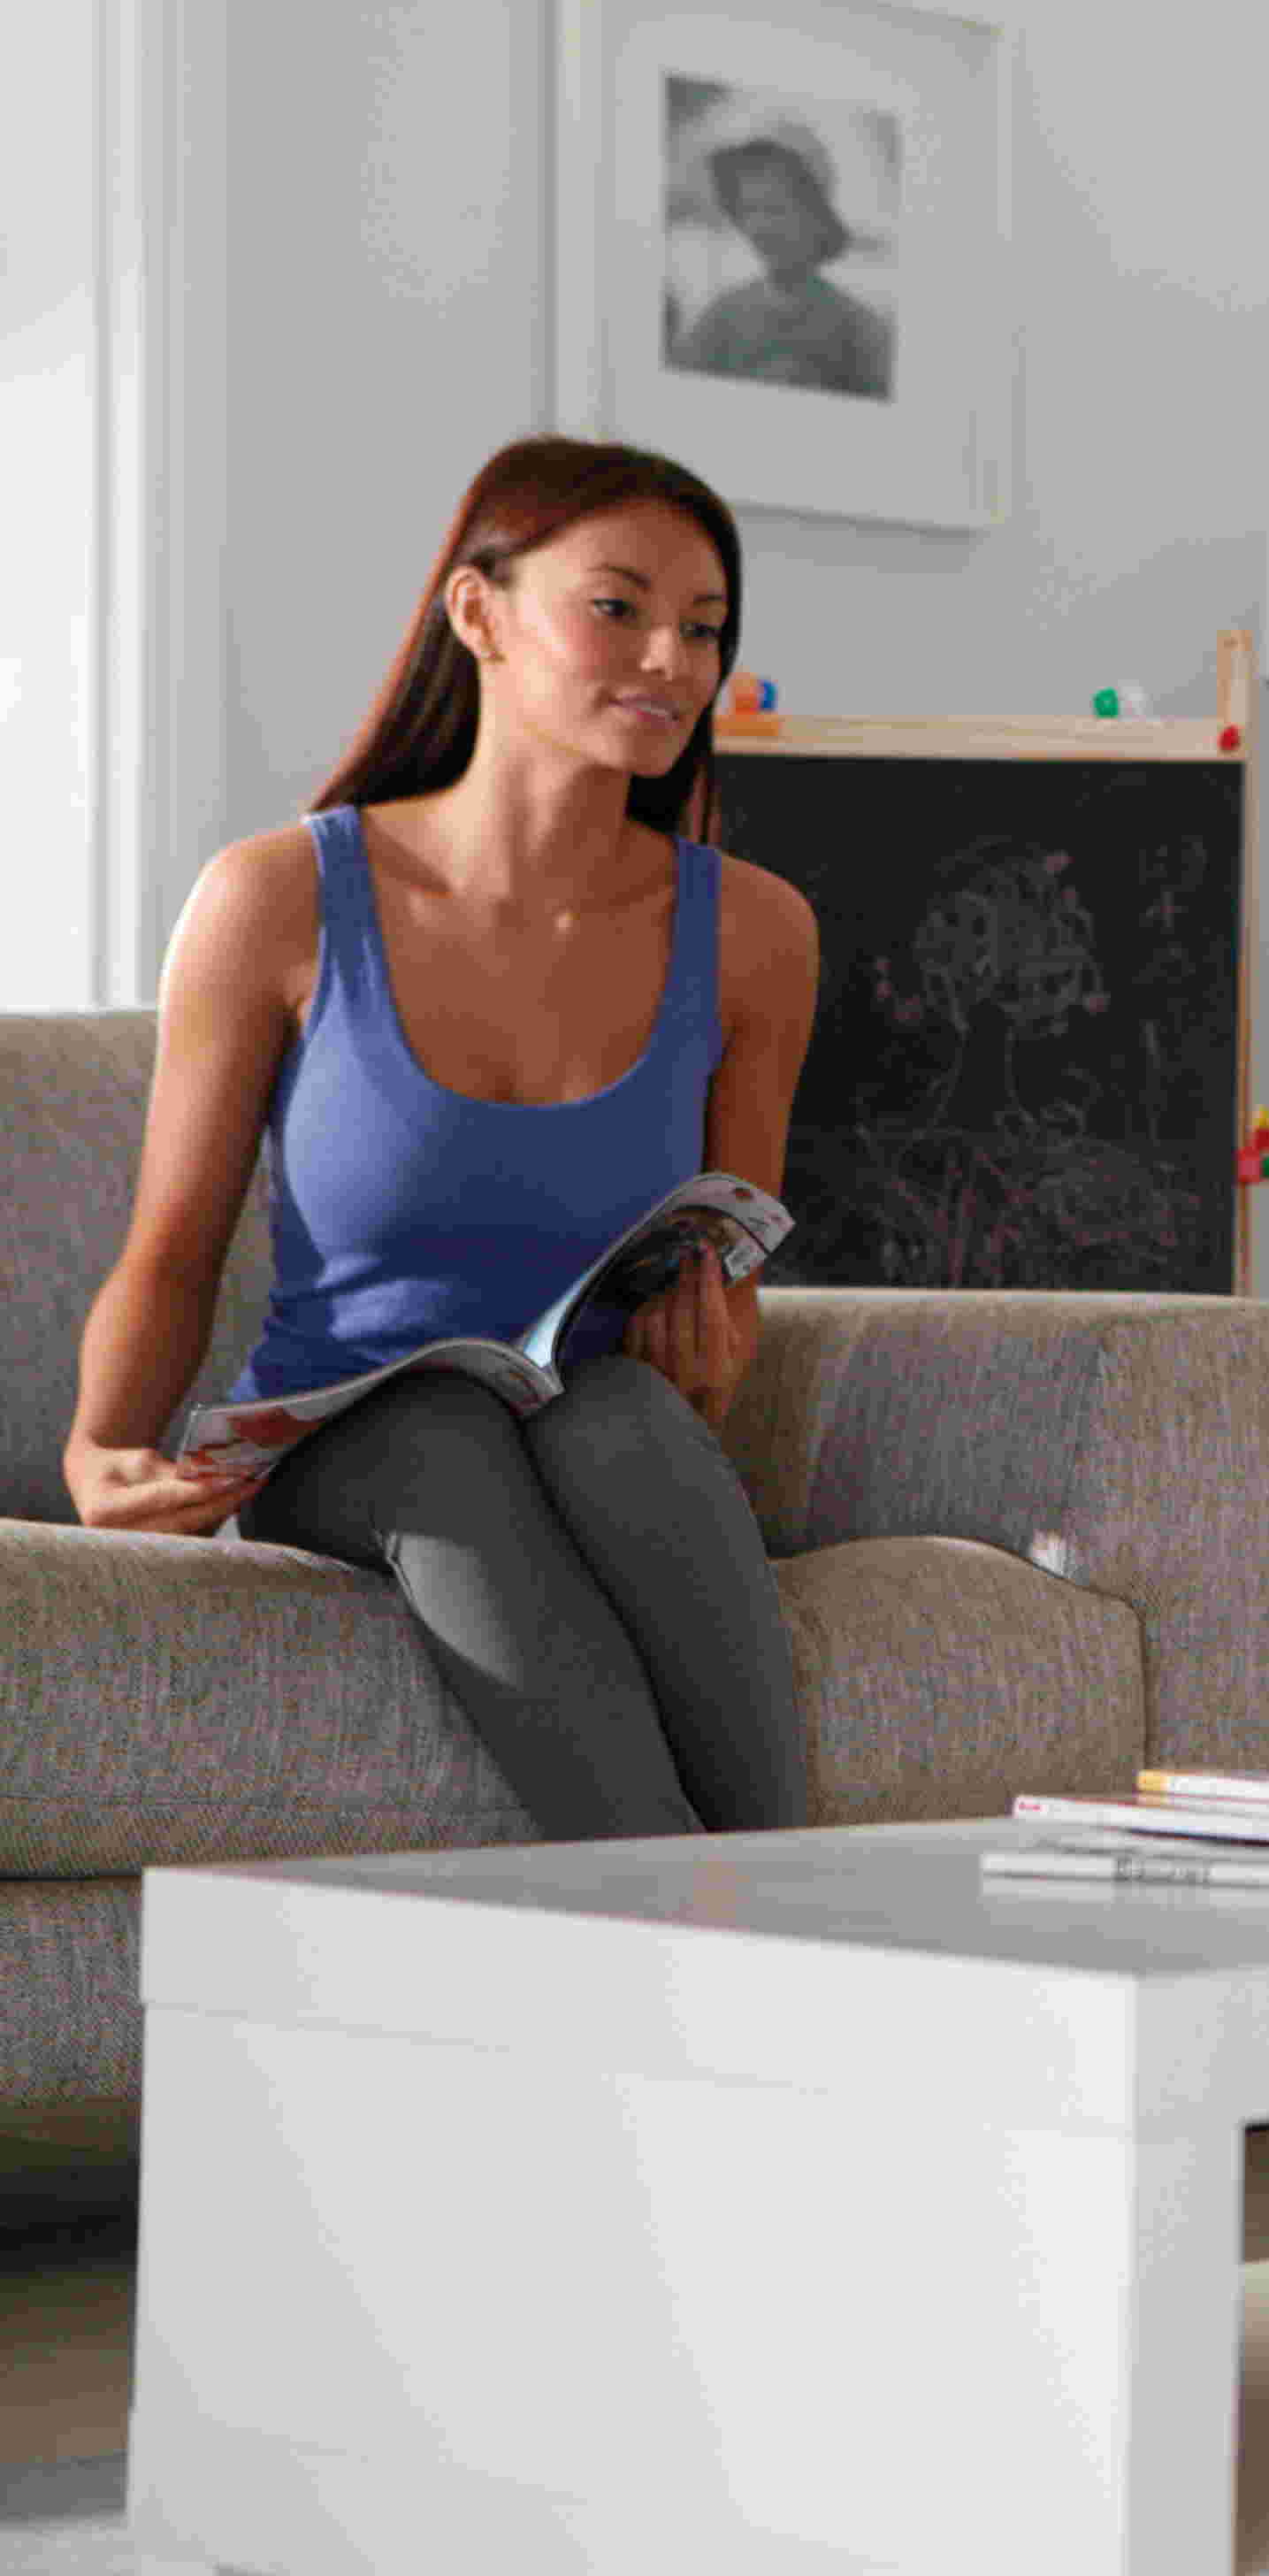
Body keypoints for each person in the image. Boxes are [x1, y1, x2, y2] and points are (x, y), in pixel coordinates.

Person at [62, 435, 826, 1842]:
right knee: (440, 1439)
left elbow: (729, 1257)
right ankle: (705, 1919)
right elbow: (171, 1250)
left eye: (705, 627)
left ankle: (763, 1906)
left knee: (629, 1426)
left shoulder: (756, 935)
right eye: (618, 608)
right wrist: (102, 1446)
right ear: (479, 612)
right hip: (345, 1441)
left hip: (590, 1416)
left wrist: (718, 1345)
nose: (671, 659)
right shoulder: (277, 899)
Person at [670, 117, 896, 402]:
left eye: (775, 209)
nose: (760, 227)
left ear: (815, 216)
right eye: (749, 210)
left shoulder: (860, 329)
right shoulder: (720, 319)